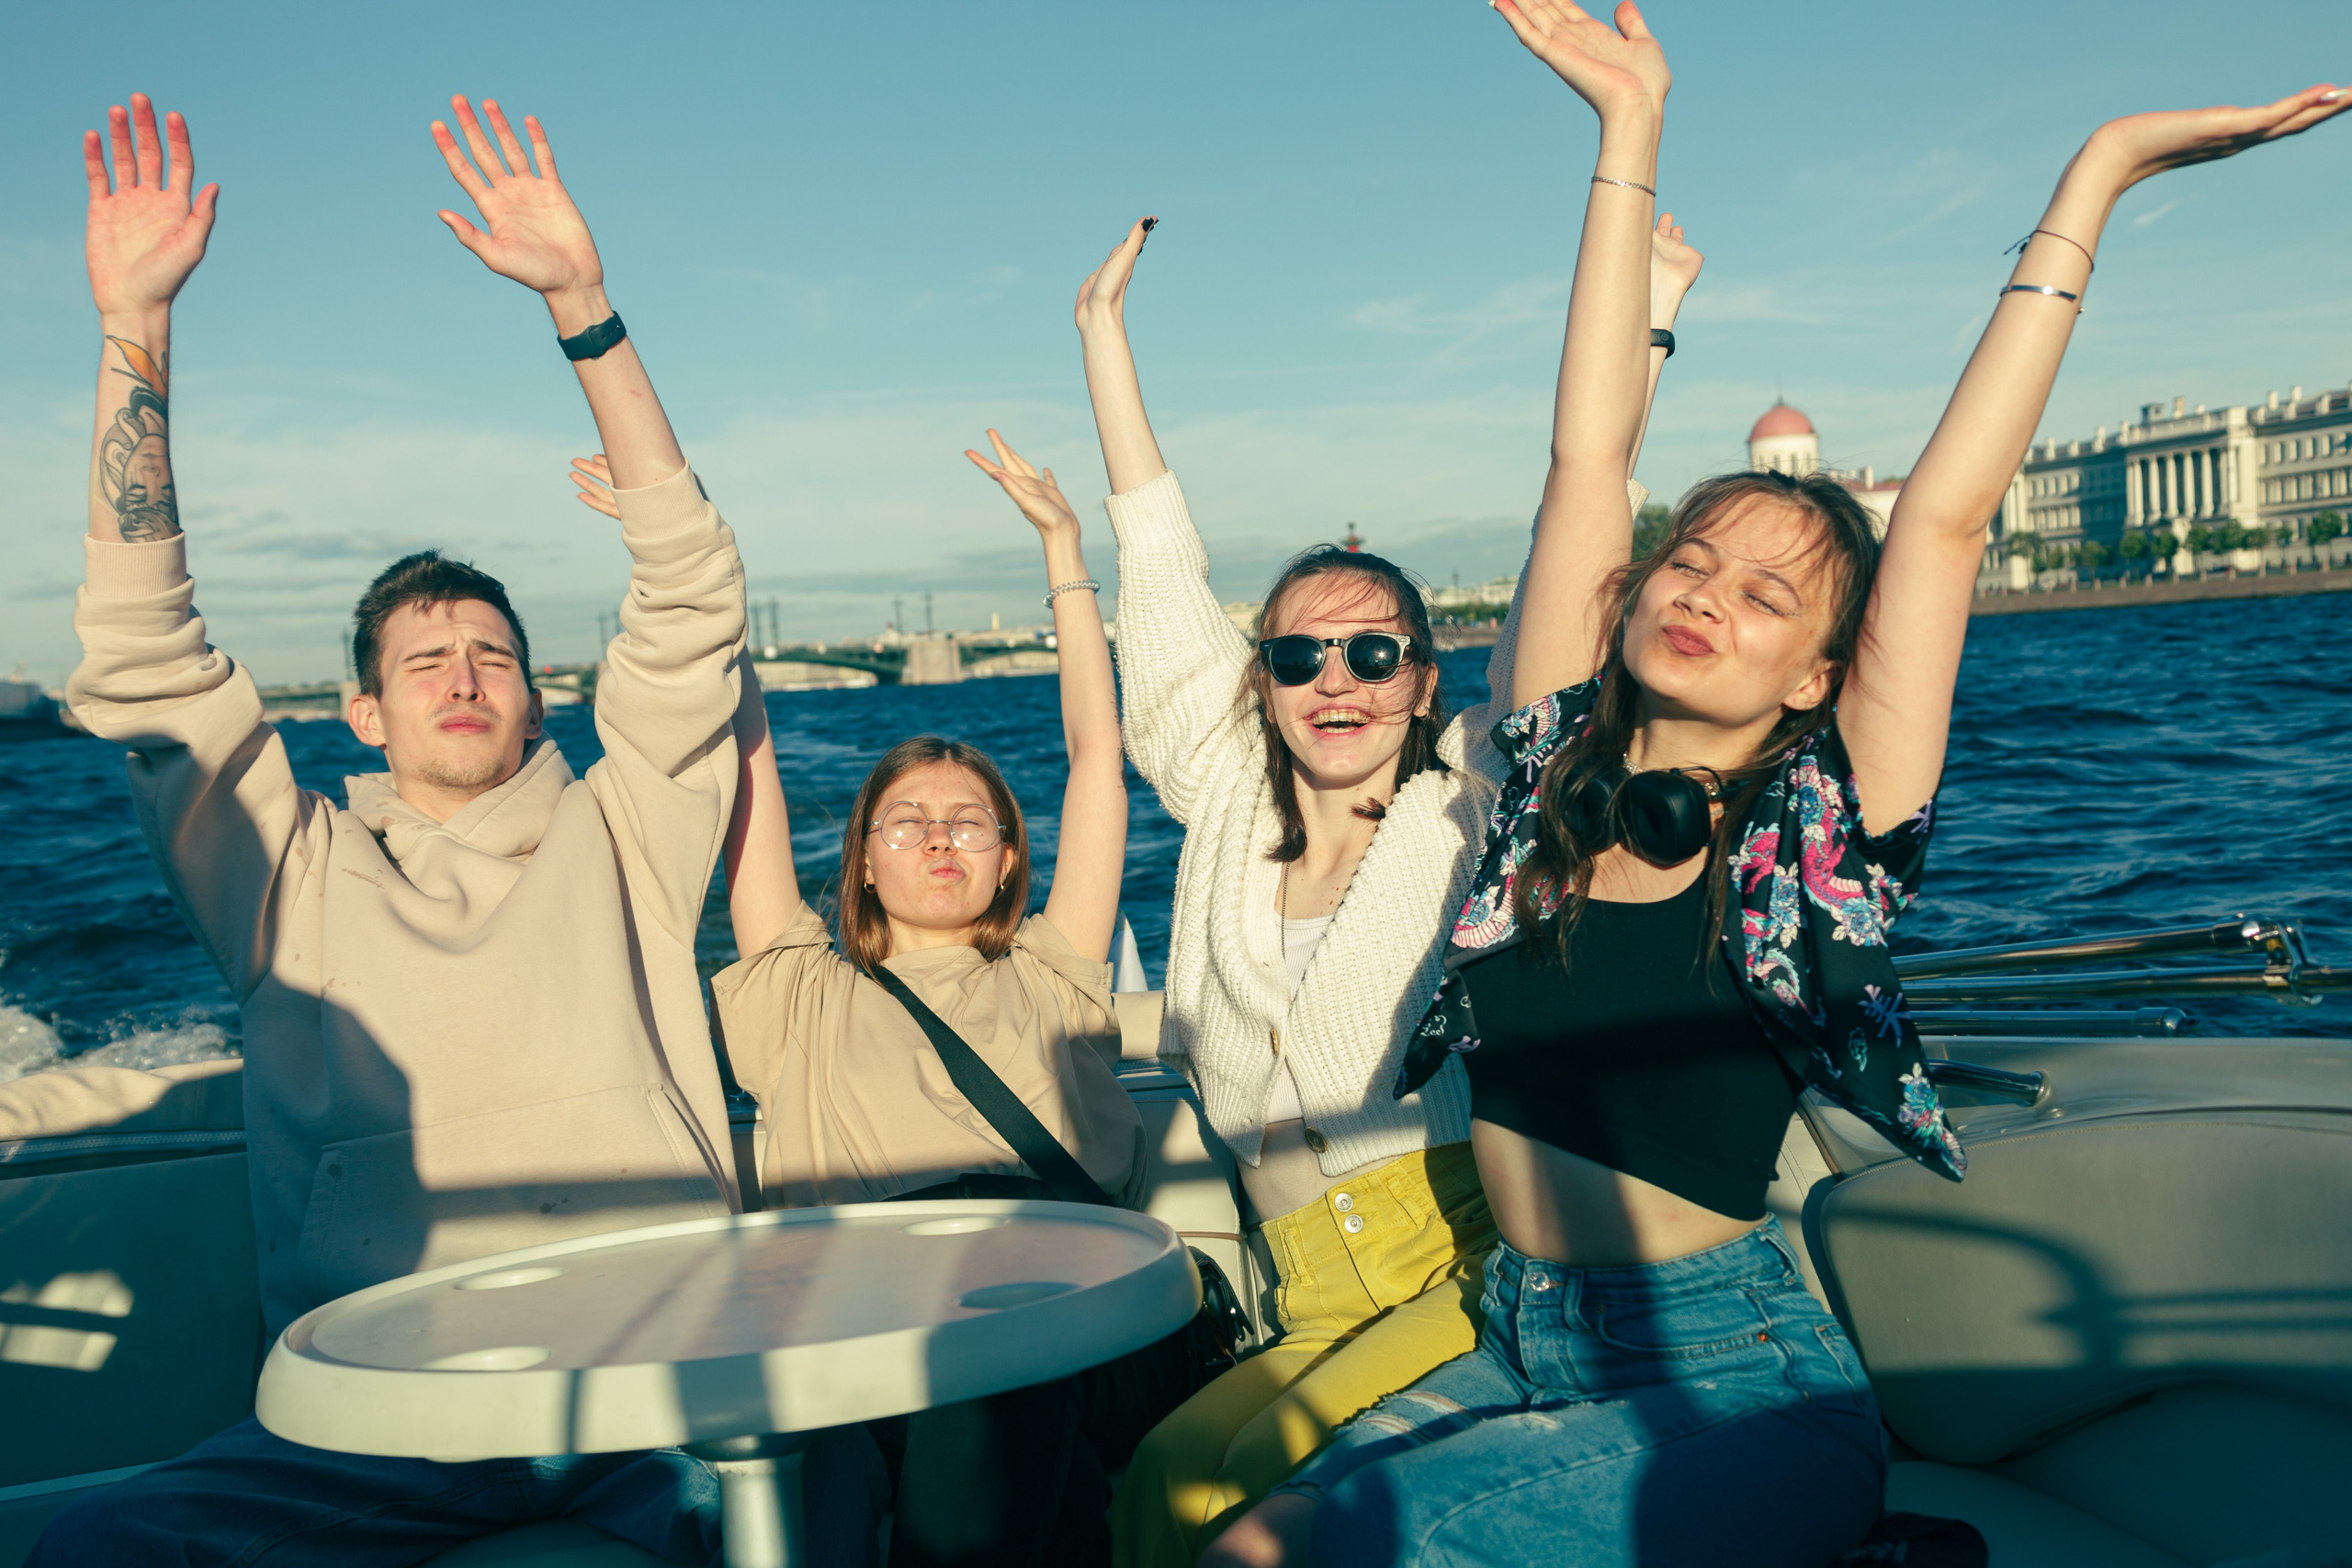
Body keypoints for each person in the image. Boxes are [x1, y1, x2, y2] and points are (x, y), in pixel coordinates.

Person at [1202, 5, 2349, 1565]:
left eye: (1765, 595)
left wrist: (2097, 179)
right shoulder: (1547, 770)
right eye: (1694, 558)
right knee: (1206, 1517)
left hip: (1733, 1377)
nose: (1705, 592)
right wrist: (1627, 131)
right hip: (1517, 1325)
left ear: (1816, 674)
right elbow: (1586, 454)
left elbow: (1944, 518)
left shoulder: (1824, 834)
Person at [35, 92, 884, 1566]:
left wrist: (586, 308)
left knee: (844, 1490)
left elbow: (691, 600)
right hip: (378, 1406)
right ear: (361, 713)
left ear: (542, 698)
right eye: (423, 660)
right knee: (98, 1549)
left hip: (657, 1372)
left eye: (492, 652)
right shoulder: (282, 875)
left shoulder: (630, 828)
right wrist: (135, 333)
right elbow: (146, 658)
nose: (463, 674)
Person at [1075, 194, 1701, 1562]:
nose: (1337, 680)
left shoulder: (1477, 792)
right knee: (1163, 1475)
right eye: (1300, 656)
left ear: (1424, 677)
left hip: (1461, 1250)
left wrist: (1646, 331)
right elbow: (1158, 565)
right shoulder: (1221, 790)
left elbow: (1575, 570)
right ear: (1263, 682)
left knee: (1230, 1485)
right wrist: (1101, 338)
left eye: (1375, 654)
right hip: (1303, 1279)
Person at [653, 428, 1156, 1566]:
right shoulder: (795, 991)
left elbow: (1094, 755)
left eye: (967, 820)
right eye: (906, 822)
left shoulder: (1053, 969)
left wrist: (1065, 552)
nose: (937, 836)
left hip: (1037, 1301)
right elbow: (748, 778)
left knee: (1000, 1394)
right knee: (1048, 1487)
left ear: (1008, 860)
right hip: (849, 1316)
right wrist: (707, 591)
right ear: (862, 862)